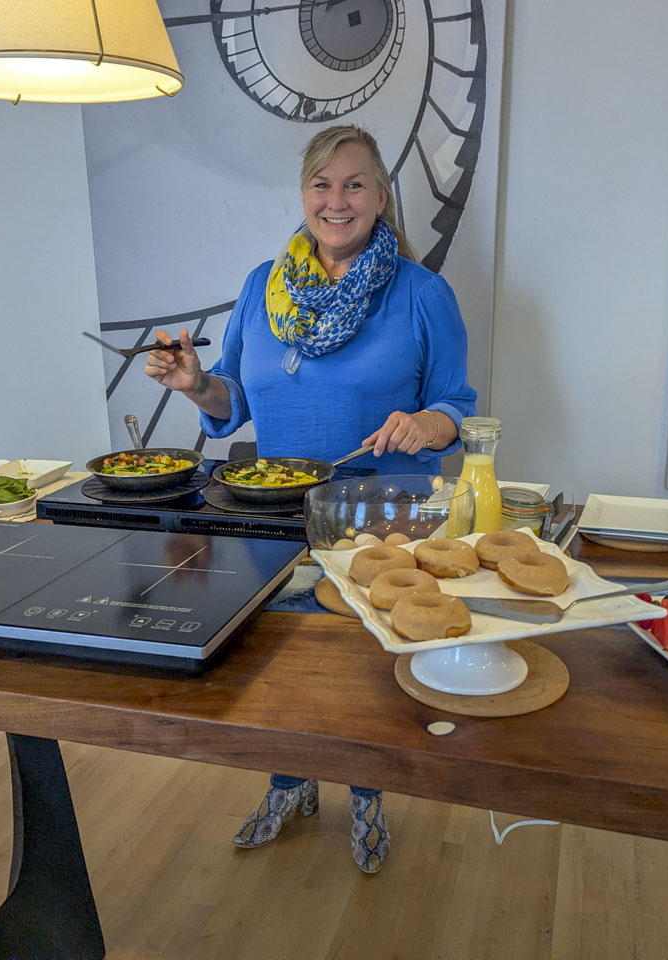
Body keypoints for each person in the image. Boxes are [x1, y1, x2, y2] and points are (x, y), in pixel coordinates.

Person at [144, 124, 477, 873]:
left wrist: (424, 422)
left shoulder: (421, 293)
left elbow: (455, 406)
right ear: (302, 195)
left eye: (354, 184)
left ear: (381, 198)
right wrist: (194, 383)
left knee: (357, 671)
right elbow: (232, 400)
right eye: (322, 184)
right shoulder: (264, 284)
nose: (337, 200)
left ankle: (367, 797)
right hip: (271, 510)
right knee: (277, 664)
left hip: (379, 518)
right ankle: (287, 786)